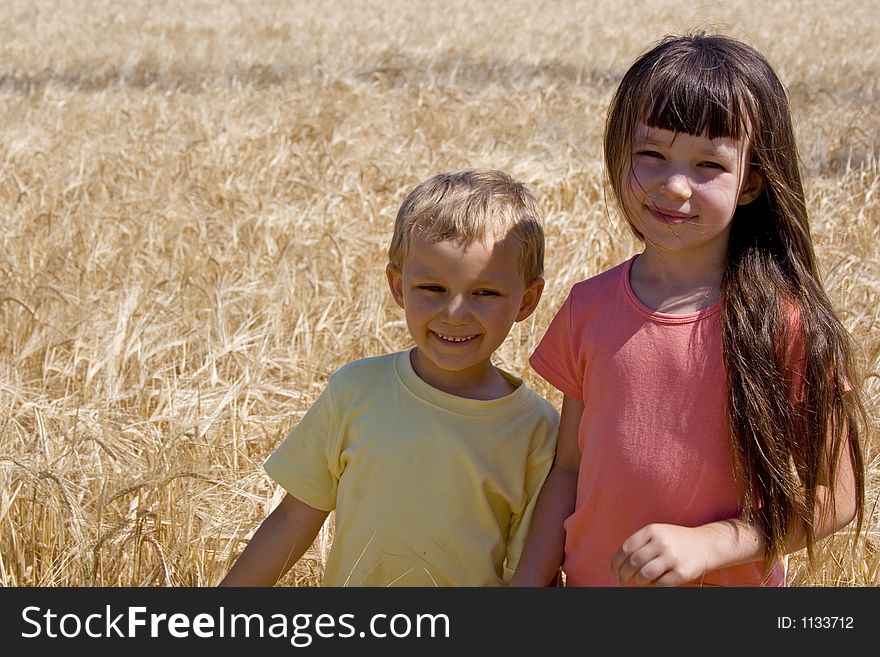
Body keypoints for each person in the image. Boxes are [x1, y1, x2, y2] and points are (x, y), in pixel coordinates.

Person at [510, 33, 866, 587]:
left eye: (708, 166)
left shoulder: (783, 324)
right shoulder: (589, 306)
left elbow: (837, 496)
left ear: (750, 182)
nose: (674, 186)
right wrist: (526, 583)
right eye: (651, 154)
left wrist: (711, 545)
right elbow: (571, 468)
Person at [220, 168, 559, 587]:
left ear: (527, 300)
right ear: (398, 286)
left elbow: (529, 572)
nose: (455, 314)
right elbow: (293, 519)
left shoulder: (537, 430)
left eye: (485, 293)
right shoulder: (355, 391)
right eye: (432, 288)